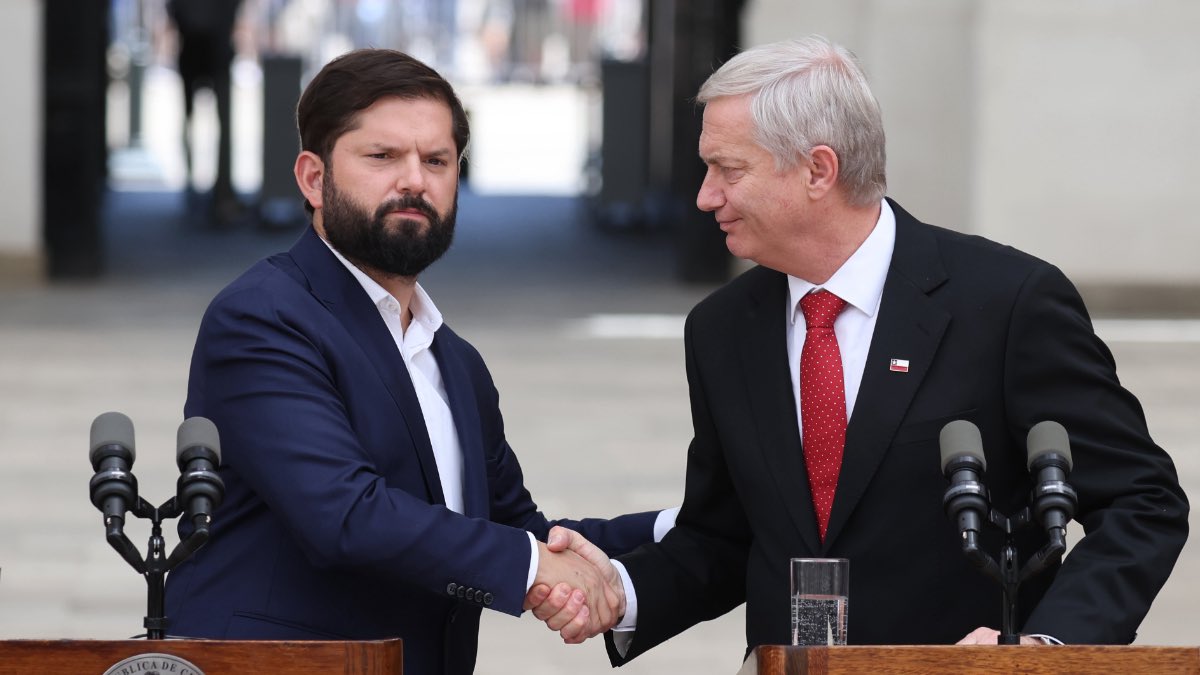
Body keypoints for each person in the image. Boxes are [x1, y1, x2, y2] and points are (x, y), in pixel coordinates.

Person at [528, 35, 1189, 659]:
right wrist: (623, 589)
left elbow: (1142, 500)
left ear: (819, 169)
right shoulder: (722, 327)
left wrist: (1043, 650)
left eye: (726, 169)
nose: (706, 197)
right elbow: (725, 533)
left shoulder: (1008, 304)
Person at [163, 49, 673, 675]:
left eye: (436, 161)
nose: (414, 181)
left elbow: (519, 530)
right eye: (382, 157)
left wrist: (682, 528)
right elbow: (345, 515)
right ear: (312, 178)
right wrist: (537, 566)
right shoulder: (262, 318)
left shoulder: (456, 362)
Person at [166, 0, 243, 224]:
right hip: (206, 51)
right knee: (215, 125)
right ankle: (215, 191)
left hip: (203, 50)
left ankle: (212, 190)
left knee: (209, 124)